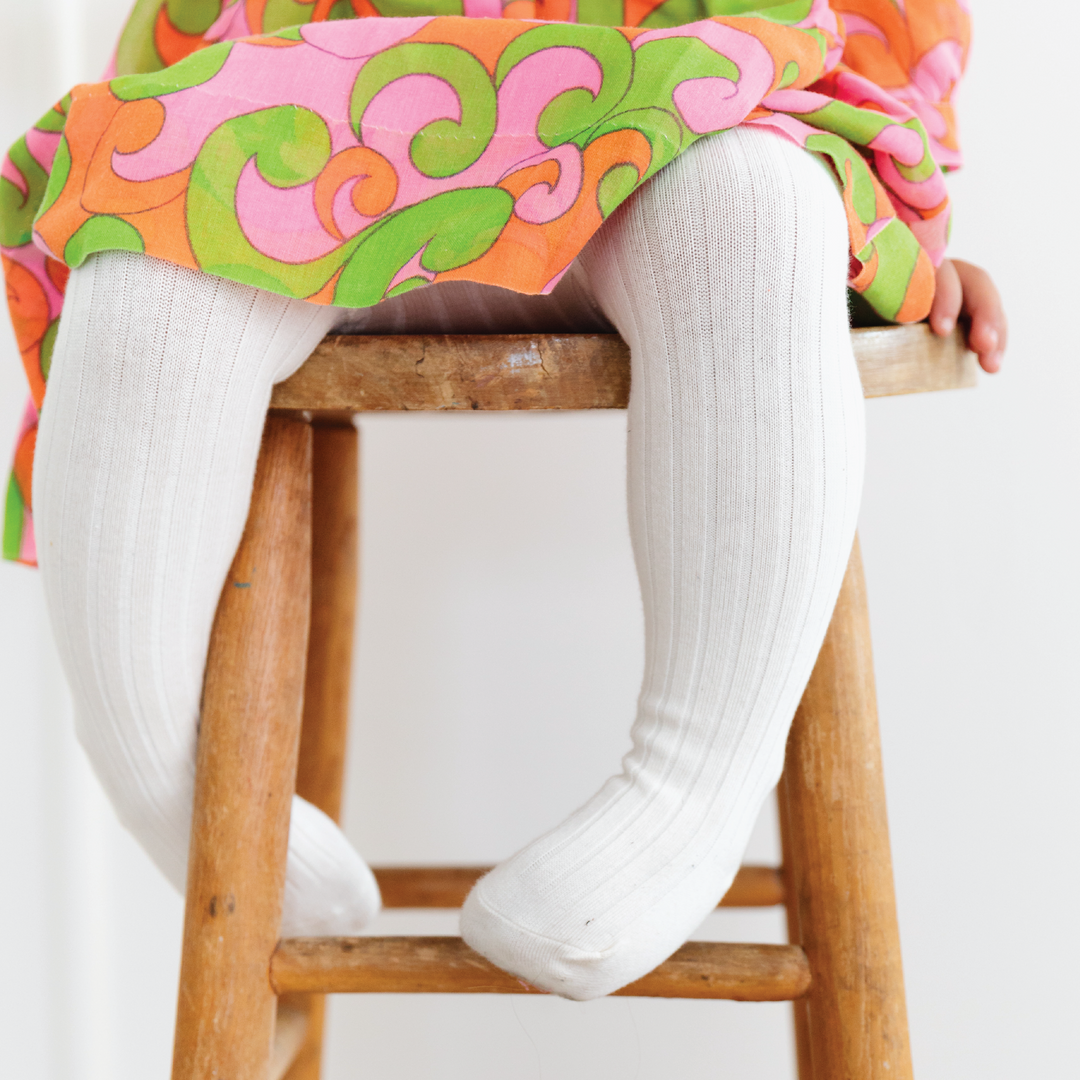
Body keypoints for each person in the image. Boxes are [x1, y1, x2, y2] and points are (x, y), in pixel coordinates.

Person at [2, 0, 1005, 1001]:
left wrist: (901, 207)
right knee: (142, 270)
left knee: (763, 211)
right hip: (318, 114)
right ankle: (160, 765)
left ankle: (690, 790)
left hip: (678, 98)